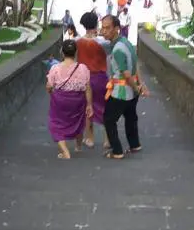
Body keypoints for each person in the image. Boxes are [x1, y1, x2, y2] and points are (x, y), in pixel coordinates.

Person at [100, 15, 149, 160]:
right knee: (130, 117)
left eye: (107, 28)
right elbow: (135, 65)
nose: (104, 31)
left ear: (116, 29)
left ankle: (117, 151)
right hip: (131, 93)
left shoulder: (118, 49)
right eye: (103, 27)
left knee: (109, 119)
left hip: (121, 92)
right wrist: (140, 85)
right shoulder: (126, 42)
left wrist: (136, 87)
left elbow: (127, 74)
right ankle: (135, 145)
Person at [46, 39, 93, 159]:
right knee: (78, 121)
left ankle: (65, 151)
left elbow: (49, 86)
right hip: (78, 100)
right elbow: (87, 88)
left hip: (60, 100)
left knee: (56, 123)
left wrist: (51, 93)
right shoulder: (83, 68)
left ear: (62, 52)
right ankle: (78, 147)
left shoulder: (55, 68)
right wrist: (89, 105)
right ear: (76, 52)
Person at [76, 11, 111, 150]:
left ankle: (89, 138)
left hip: (84, 78)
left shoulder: (77, 42)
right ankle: (107, 139)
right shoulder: (103, 43)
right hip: (101, 77)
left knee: (87, 107)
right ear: (96, 24)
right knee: (105, 109)